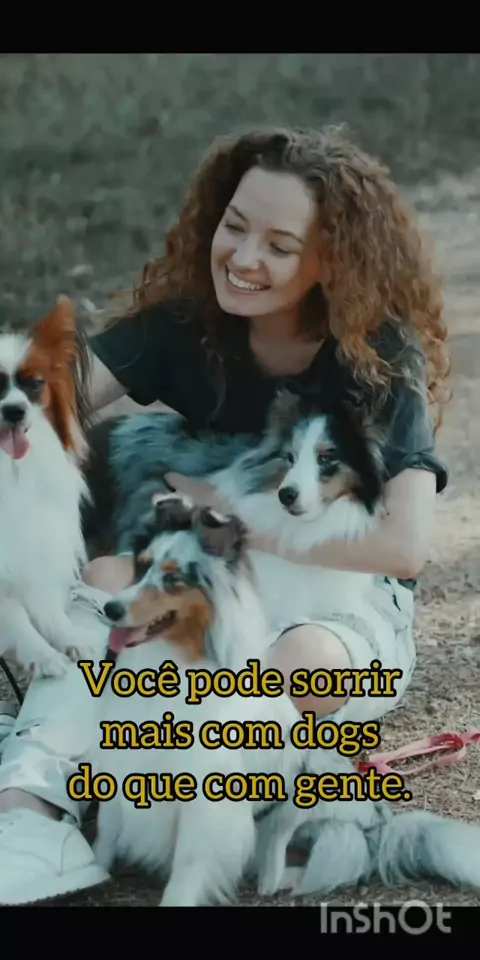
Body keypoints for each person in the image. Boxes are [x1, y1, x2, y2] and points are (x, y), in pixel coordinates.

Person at [0, 124, 450, 905]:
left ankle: (223, 805)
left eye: (279, 245)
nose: (243, 257)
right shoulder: (186, 322)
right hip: (208, 587)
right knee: (106, 582)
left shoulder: (378, 354)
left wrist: (233, 513)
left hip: (335, 603)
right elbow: (52, 399)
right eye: (235, 227)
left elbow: (403, 546)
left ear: (332, 261)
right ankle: (29, 811)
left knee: (300, 661)